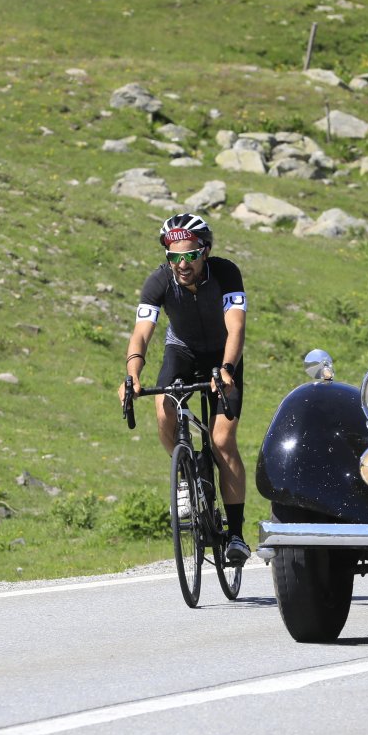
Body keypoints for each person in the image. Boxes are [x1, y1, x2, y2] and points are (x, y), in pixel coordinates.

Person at [119, 213, 250, 565]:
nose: (182, 264)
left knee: (222, 442)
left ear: (205, 251)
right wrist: (132, 375)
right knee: (163, 407)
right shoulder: (159, 281)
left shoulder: (226, 273)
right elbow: (141, 332)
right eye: (174, 257)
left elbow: (236, 327)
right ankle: (185, 476)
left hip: (223, 355)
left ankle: (236, 534)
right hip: (183, 350)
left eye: (189, 256)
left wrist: (226, 369)